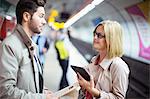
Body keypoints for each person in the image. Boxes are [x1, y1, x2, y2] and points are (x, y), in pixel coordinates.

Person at [0, 0, 58, 99]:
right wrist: (42, 98)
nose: (44, 21)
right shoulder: (10, 46)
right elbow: (6, 92)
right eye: (41, 16)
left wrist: (42, 90)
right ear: (26, 16)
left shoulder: (31, 45)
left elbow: (27, 81)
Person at [77, 20, 130, 99]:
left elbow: (119, 98)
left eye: (99, 35)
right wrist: (83, 85)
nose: (95, 38)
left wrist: (94, 92)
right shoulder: (94, 60)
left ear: (111, 39)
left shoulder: (118, 66)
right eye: (94, 34)